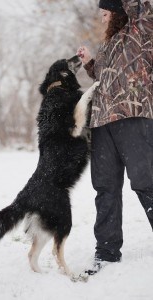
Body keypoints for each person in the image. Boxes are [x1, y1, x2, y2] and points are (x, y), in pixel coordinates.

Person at [77, 0, 153, 275]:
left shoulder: (141, 31)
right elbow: (103, 77)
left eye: (105, 14)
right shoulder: (108, 46)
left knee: (146, 181)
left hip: (133, 116)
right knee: (105, 188)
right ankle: (107, 252)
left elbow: (142, 6)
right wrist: (89, 64)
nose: (101, 20)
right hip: (101, 122)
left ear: (120, 13)